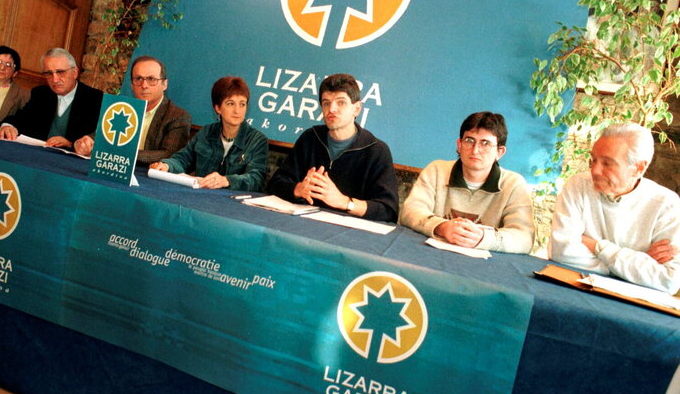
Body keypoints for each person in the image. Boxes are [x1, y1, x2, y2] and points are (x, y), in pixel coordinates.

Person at [550, 122, 679, 294]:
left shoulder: (666, 204)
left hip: (632, 302)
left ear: (638, 168)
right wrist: (636, 265)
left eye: (607, 163)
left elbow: (669, 280)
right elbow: (561, 252)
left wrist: (597, 246)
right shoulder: (578, 185)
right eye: (593, 160)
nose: (595, 170)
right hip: (574, 290)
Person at [267, 73, 399, 222]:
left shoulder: (376, 151)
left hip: (349, 231)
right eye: (326, 103)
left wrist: (344, 202)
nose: (332, 109)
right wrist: (298, 189)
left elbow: (388, 211)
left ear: (357, 108)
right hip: (302, 224)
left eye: (341, 102)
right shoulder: (310, 138)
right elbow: (275, 184)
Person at [400, 112, 534, 253]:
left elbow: (524, 238)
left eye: (485, 143)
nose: (475, 150)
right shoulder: (436, 170)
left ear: (499, 152)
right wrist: (442, 227)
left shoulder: (513, 184)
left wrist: (483, 238)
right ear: (459, 145)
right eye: (469, 140)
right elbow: (410, 211)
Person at [150, 76, 267, 191]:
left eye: (242, 104)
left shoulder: (257, 140)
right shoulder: (206, 132)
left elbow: (256, 179)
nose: (237, 110)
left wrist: (227, 181)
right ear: (218, 108)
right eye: (230, 104)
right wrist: (166, 165)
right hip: (201, 195)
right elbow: (183, 158)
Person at [74, 56, 191, 164]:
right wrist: (85, 142)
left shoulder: (178, 116)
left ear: (164, 84)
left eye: (151, 79)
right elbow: (100, 137)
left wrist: (122, 154)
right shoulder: (121, 108)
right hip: (112, 168)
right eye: (138, 79)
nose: (144, 85)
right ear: (131, 85)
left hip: (146, 174)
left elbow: (169, 154)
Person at [0, 48, 103, 148]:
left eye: (61, 72)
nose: (55, 80)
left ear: (74, 73)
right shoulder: (41, 94)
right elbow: (21, 118)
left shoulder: (95, 99)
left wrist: (71, 144)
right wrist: (8, 126)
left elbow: (99, 140)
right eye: (49, 73)